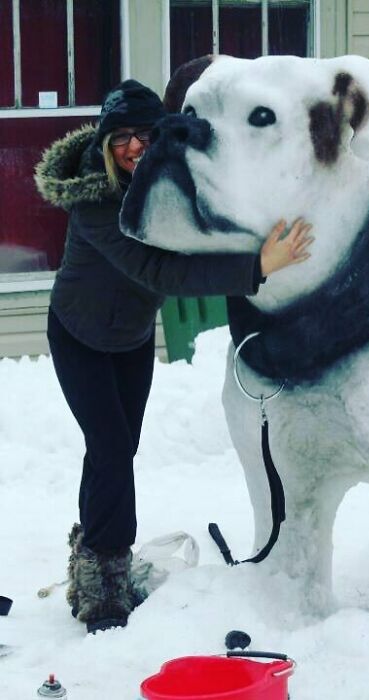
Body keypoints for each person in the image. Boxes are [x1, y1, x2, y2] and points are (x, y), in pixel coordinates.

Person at [35, 80, 313, 634]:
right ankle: (103, 581)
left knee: (117, 447)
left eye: (145, 135)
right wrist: (259, 266)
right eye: (122, 139)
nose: (134, 147)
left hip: (131, 337)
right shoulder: (95, 203)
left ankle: (96, 548)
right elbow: (159, 271)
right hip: (80, 335)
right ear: (106, 143)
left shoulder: (161, 186)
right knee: (111, 447)